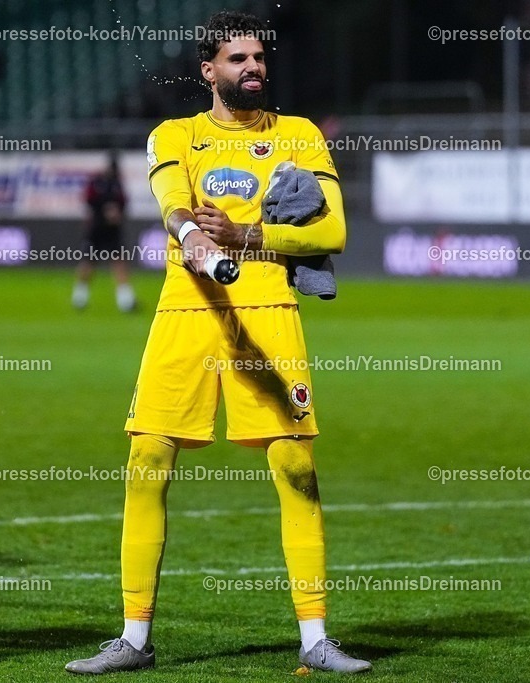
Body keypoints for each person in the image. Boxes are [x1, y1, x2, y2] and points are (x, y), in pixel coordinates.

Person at [66, 11, 369, 675]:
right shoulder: (176, 135)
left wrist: (246, 238)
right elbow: (172, 201)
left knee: (295, 467)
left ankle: (316, 637)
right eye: (236, 59)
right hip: (188, 308)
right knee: (147, 458)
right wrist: (194, 235)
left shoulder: (300, 136)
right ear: (209, 70)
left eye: (258, 58)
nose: (252, 68)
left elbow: (334, 232)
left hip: (268, 308)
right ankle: (134, 638)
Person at [71, 153, 137, 312]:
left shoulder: (117, 183)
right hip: (97, 228)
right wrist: (104, 211)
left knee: (119, 262)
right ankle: (80, 297)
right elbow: (88, 200)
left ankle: (125, 301)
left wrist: (117, 213)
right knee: (88, 262)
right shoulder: (96, 182)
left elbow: (124, 202)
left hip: (113, 229)